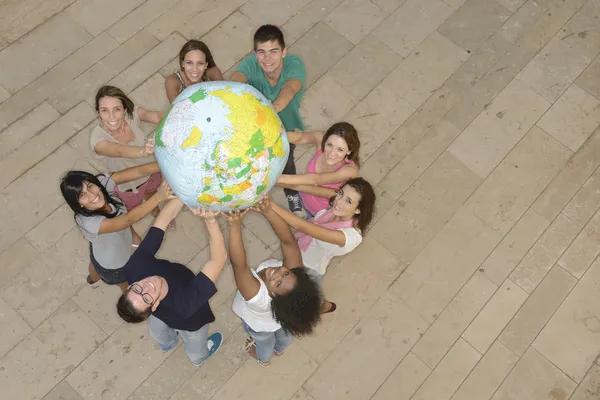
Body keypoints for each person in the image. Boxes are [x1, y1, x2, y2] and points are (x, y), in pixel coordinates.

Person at [116, 199, 227, 366]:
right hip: (189, 322)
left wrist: (182, 194)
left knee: (157, 329)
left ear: (131, 285)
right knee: (195, 344)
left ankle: (167, 344)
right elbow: (218, 260)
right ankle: (199, 359)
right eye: (146, 298)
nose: (147, 287)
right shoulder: (185, 305)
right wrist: (210, 221)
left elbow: (161, 222)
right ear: (153, 306)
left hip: (162, 315)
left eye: (137, 289)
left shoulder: (135, 268)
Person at [227, 197, 321, 367]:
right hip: (280, 321)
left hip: (260, 326)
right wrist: (267, 210)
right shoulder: (293, 279)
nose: (276, 273)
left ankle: (263, 359)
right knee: (284, 336)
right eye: (285, 272)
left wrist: (234, 225)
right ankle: (280, 349)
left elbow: (239, 265)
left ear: (273, 296)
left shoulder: (257, 297)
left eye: (277, 283)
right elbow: (288, 241)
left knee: (263, 342)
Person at [60, 162, 172, 292]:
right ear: (78, 204)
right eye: (82, 195)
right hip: (115, 266)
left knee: (95, 263)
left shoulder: (102, 184)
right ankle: (93, 280)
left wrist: (165, 163)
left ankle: (92, 280)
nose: (92, 195)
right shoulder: (90, 223)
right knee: (128, 287)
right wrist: (158, 197)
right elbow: (128, 219)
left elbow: (138, 171)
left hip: (103, 250)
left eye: (90, 186)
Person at [231, 24, 306, 216]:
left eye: (273, 51)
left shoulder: (294, 64)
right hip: (256, 126)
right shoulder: (249, 65)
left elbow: (289, 88)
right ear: (255, 53)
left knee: (287, 162)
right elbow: (236, 81)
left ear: (284, 52)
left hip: (285, 128)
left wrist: (273, 109)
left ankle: (292, 193)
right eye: (261, 52)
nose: (267, 58)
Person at [271, 178, 375, 314]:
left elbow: (304, 227)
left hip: (310, 267)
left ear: (358, 210)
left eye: (348, 201)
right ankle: (325, 306)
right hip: (299, 250)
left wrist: (269, 206)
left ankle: (323, 307)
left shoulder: (350, 237)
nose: (339, 201)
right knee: (307, 292)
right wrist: (271, 182)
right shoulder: (337, 209)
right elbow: (302, 186)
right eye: (341, 193)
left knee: (309, 295)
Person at [91, 85, 164, 212]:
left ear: (125, 110)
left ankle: (155, 210)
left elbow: (157, 116)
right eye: (104, 110)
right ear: (98, 113)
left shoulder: (134, 114)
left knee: (152, 193)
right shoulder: (98, 140)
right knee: (129, 212)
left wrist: (180, 117)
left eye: (117, 109)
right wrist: (143, 151)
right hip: (129, 187)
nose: (111, 116)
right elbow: (119, 150)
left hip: (152, 172)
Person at [277, 122, 360, 218]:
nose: (332, 153)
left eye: (340, 150)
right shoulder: (320, 138)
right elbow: (299, 138)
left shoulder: (349, 171)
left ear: (349, 151)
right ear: (325, 140)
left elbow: (316, 179)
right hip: (304, 196)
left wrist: (274, 178)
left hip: (320, 214)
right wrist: (272, 135)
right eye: (329, 145)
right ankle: (297, 204)